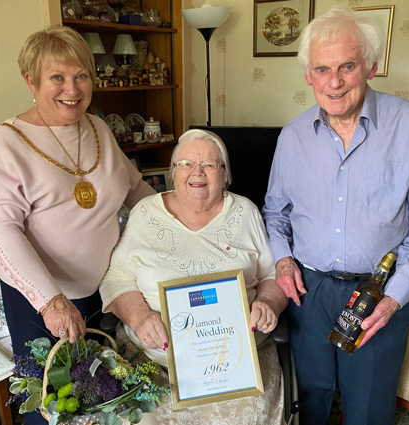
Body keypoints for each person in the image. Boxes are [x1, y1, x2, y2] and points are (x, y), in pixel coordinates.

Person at [262, 6, 409, 425]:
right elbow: (275, 213)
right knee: (310, 399)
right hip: (308, 293)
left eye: (347, 66)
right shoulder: (292, 136)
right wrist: (282, 260)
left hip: (379, 291)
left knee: (368, 409)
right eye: (322, 68)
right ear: (308, 75)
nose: (334, 82)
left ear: (369, 66)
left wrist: (393, 299)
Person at [0, 26, 155, 424]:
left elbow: (138, 191)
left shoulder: (99, 127)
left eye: (81, 76)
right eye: (57, 77)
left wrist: (182, 222)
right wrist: (50, 301)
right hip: (40, 300)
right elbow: (1, 231)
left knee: (100, 396)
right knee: (53, 406)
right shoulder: (5, 143)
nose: (71, 89)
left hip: (102, 289)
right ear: (31, 81)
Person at [100, 129, 289, 424]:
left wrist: (268, 302)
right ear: (172, 173)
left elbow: (272, 274)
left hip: (238, 363)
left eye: (210, 165)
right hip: (155, 361)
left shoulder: (246, 211)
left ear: (225, 175)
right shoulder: (145, 213)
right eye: (186, 164)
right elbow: (117, 277)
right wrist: (139, 318)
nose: (197, 173)